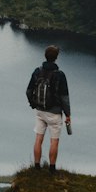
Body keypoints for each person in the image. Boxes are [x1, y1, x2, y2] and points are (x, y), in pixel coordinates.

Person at [27, 44, 71, 172]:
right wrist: (68, 114)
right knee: (54, 141)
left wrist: (33, 104)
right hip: (54, 113)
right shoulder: (60, 75)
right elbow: (64, 98)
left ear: (45, 56)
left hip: (40, 111)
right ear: (56, 58)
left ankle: (36, 166)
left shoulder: (37, 71)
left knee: (38, 139)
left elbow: (29, 91)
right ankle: (52, 169)